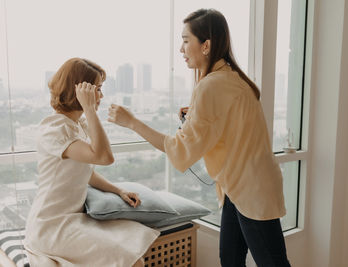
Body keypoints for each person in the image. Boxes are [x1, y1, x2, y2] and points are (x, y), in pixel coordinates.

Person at [108, 9, 291, 267]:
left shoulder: (211, 85)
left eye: (185, 40)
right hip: (238, 188)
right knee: (229, 259)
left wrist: (132, 123)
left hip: (251, 189)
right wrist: (195, 117)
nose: (181, 50)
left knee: (272, 263)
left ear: (205, 45)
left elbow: (180, 149)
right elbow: (227, 126)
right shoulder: (229, 77)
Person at [24, 58, 159, 267]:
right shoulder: (55, 129)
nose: (101, 95)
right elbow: (104, 157)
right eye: (97, 88)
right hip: (50, 226)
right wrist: (89, 107)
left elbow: (85, 172)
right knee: (133, 263)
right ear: (78, 89)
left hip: (70, 219)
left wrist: (119, 190)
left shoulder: (79, 124)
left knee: (134, 246)